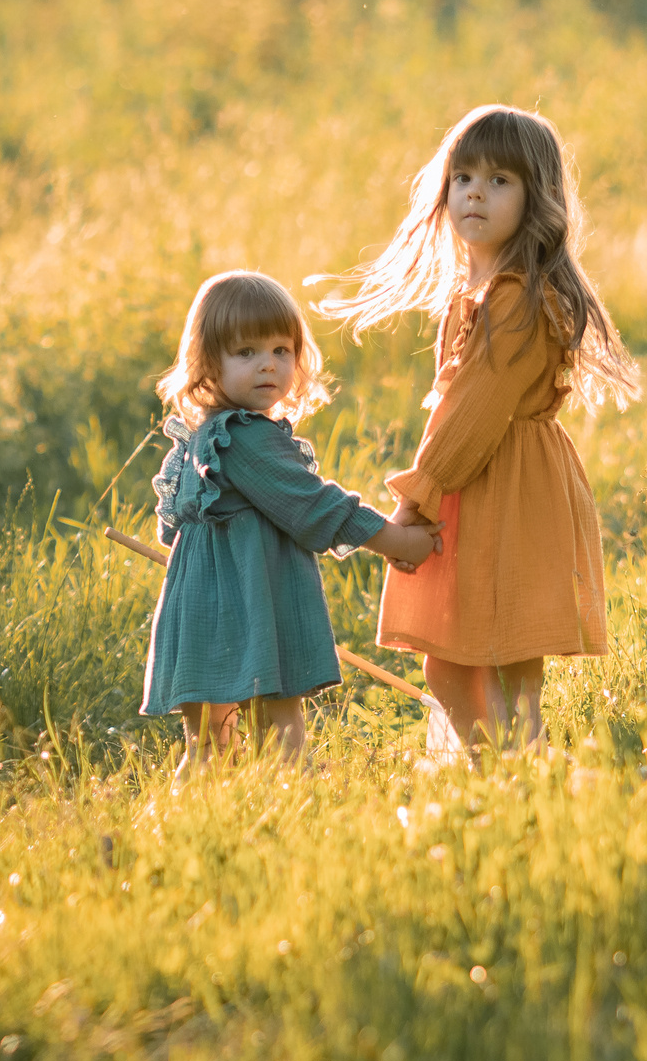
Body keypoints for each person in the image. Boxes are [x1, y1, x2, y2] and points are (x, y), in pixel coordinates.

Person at [320, 104, 642, 748]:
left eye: (500, 180)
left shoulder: (515, 298)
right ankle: (517, 771)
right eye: (464, 176)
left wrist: (418, 498)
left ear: (536, 198)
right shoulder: (491, 292)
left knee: (460, 654)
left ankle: (498, 774)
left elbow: (473, 414)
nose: (475, 192)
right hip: (507, 482)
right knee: (499, 660)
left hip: (498, 487)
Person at [142, 270, 438, 761]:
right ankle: (291, 803)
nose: (268, 366)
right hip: (253, 606)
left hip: (201, 611)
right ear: (209, 363)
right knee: (279, 724)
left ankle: (203, 816)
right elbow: (314, 505)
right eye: (246, 353)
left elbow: (173, 526)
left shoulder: (202, 437)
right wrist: (399, 542)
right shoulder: (243, 436)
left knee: (208, 744)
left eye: (281, 350)